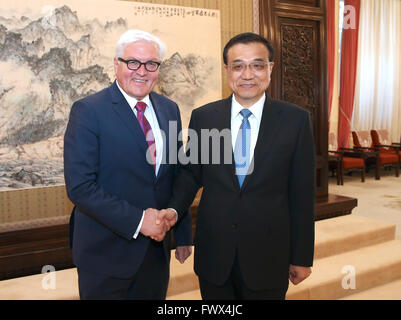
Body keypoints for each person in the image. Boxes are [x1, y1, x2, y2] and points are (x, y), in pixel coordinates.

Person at [165, 32, 316, 300]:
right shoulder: (205, 117)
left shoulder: (295, 121)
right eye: (238, 66)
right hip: (215, 254)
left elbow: (302, 195)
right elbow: (191, 175)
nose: (247, 74)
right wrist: (174, 211)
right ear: (227, 71)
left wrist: (302, 256)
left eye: (257, 65)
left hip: (268, 255)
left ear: (270, 68)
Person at [64, 29, 192, 300]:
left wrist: (181, 231)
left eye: (151, 64)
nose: (141, 71)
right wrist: (138, 221)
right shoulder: (88, 110)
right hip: (105, 256)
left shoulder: (169, 109)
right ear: (116, 63)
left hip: (156, 254)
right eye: (132, 62)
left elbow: (176, 174)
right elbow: (80, 187)